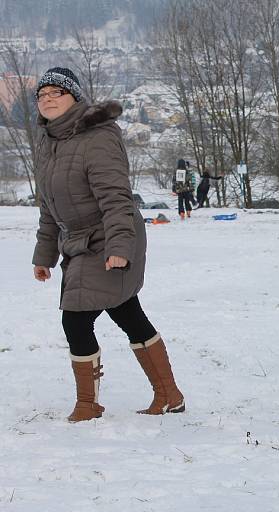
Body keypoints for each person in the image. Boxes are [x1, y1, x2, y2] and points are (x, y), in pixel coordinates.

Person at [32, 67, 185, 422]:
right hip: (79, 241)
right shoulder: (49, 142)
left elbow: (116, 198)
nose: (48, 99)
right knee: (126, 312)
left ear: (75, 98)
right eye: (42, 95)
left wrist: (119, 248)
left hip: (110, 236)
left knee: (76, 317)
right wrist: (44, 256)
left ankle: (88, 405)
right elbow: (49, 206)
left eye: (57, 92)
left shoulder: (96, 137)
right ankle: (169, 395)